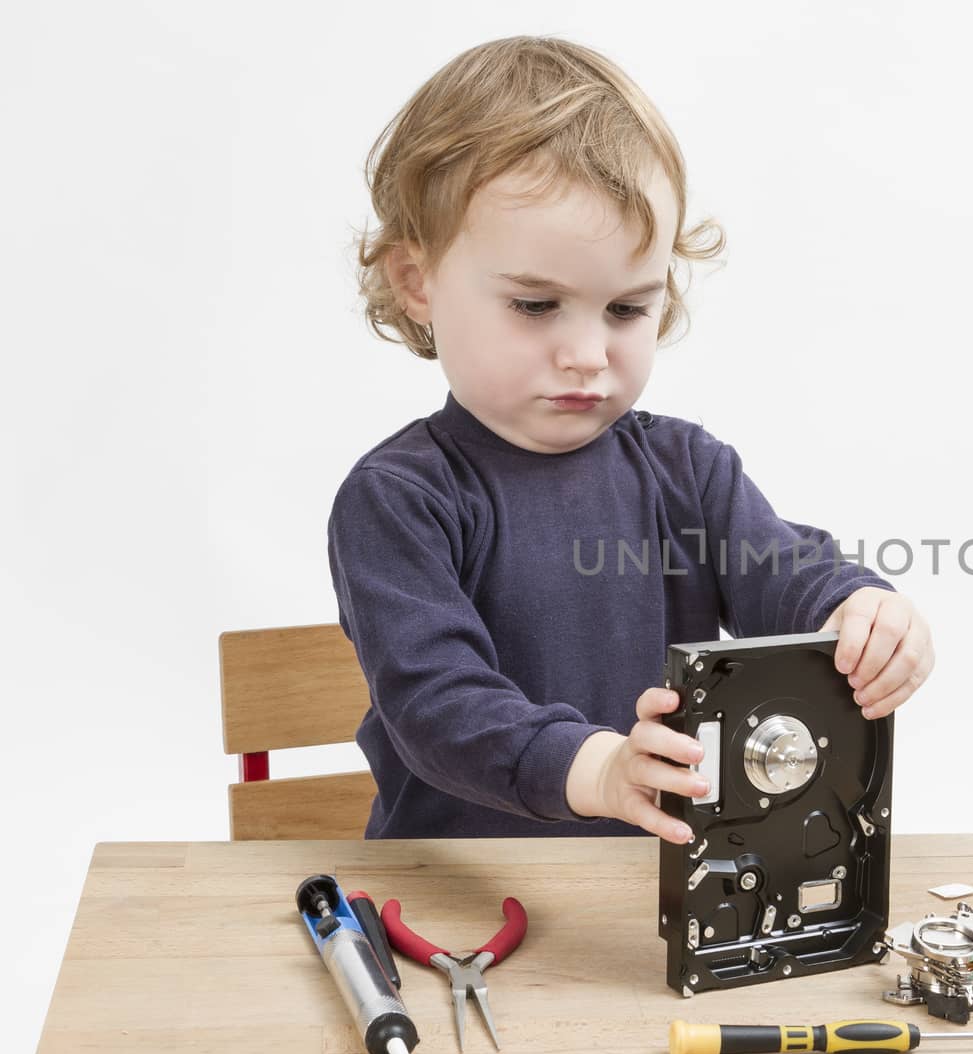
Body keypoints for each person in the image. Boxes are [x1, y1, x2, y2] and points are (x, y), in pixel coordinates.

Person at [330, 36, 935, 842]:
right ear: (417, 282)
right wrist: (598, 769)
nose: (589, 353)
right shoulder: (400, 499)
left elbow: (786, 574)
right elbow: (436, 704)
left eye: (626, 309)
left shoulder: (687, 470)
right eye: (536, 306)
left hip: (647, 890)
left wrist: (860, 610)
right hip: (458, 895)